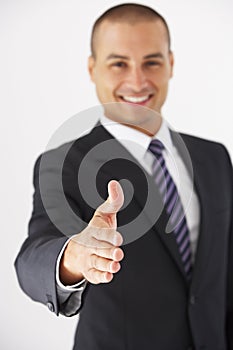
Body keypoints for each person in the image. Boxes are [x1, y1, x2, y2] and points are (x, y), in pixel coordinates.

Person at [15, 3, 233, 350]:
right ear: (92, 68)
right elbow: (32, 260)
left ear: (171, 64)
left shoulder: (214, 157)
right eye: (119, 63)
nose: (137, 81)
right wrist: (74, 257)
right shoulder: (63, 164)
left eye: (152, 62)